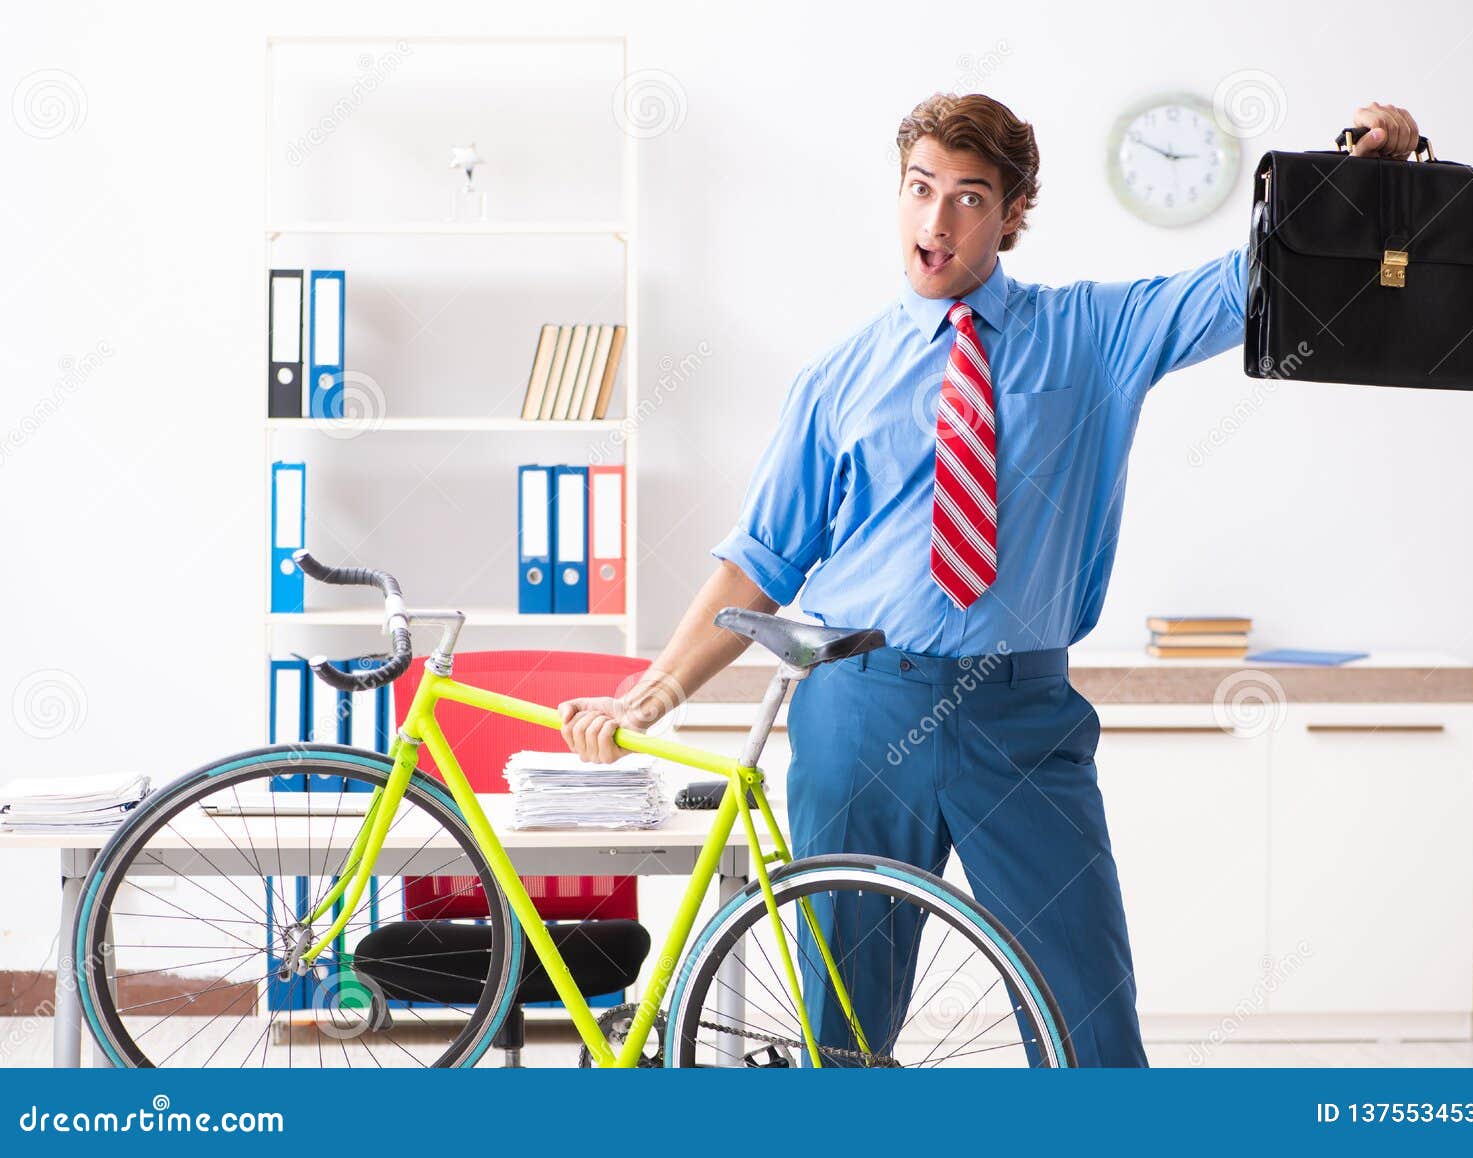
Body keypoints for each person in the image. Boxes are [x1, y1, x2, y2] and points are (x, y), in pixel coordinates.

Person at [560, 92, 1423, 1066]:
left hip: (1020, 717)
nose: (937, 221)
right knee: (843, 1043)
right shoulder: (839, 376)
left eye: (968, 197)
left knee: (1090, 1028)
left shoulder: (1093, 333)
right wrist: (656, 692)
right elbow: (760, 560)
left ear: (1013, 213)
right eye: (920, 190)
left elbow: (1244, 285)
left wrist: (1363, 175)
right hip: (856, 709)